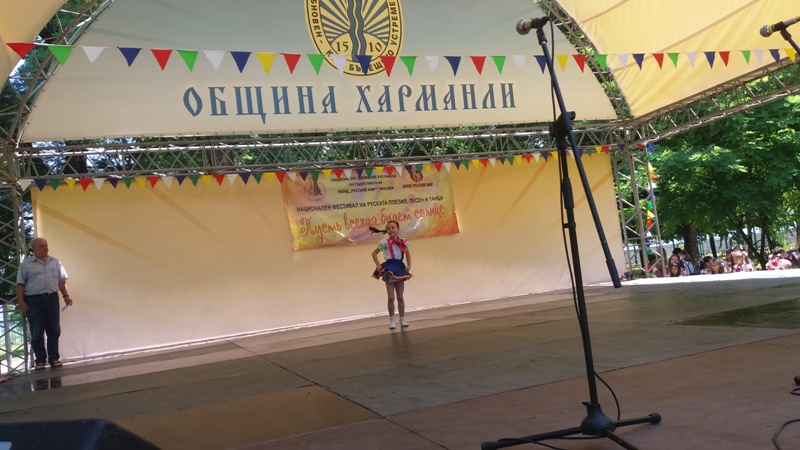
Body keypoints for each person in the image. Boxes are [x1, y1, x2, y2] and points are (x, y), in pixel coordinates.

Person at [16, 238, 72, 370]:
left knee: (54, 329)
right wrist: (21, 301)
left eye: (46, 245)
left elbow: (61, 281)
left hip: (52, 298)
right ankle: (40, 360)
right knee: (37, 331)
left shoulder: (55, 261)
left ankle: (54, 358)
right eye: (42, 246)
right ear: (34, 249)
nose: (45, 248)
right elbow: (20, 284)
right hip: (34, 300)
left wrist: (66, 296)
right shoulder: (26, 264)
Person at [370, 221, 412, 330]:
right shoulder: (384, 243)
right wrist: (378, 264)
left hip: (399, 268)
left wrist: (409, 265)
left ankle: (402, 320)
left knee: (400, 296)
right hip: (389, 269)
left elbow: (407, 253)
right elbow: (374, 253)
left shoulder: (403, 243)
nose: (391, 230)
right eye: (388, 228)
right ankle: (392, 320)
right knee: (391, 297)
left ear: (398, 229)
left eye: (393, 227)